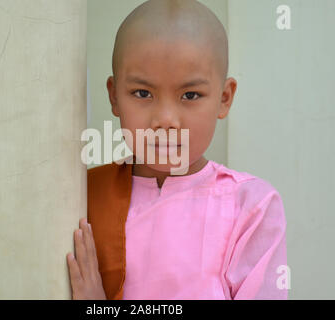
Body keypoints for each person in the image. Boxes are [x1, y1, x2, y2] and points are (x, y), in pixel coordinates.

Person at [66, 0, 288, 300]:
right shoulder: (84, 196)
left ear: (224, 98)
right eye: (142, 93)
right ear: (114, 95)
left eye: (190, 95)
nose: (166, 120)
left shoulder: (250, 207)